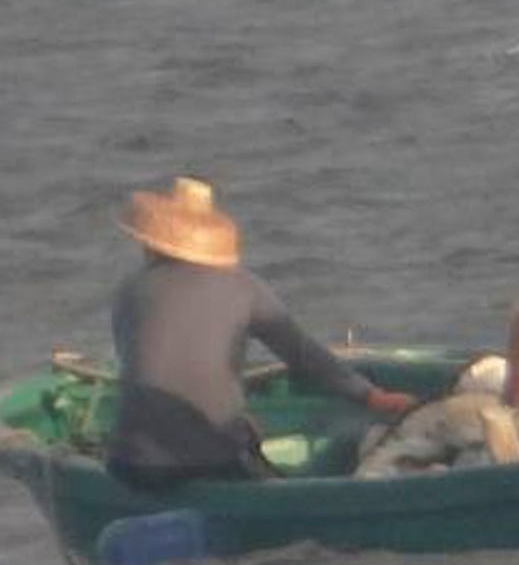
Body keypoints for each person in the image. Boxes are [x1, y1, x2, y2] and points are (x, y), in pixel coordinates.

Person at [106, 176, 412, 488]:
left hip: (135, 466)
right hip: (213, 464)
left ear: (151, 243)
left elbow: (136, 362)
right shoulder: (244, 286)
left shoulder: (128, 290)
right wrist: (372, 396)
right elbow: (301, 353)